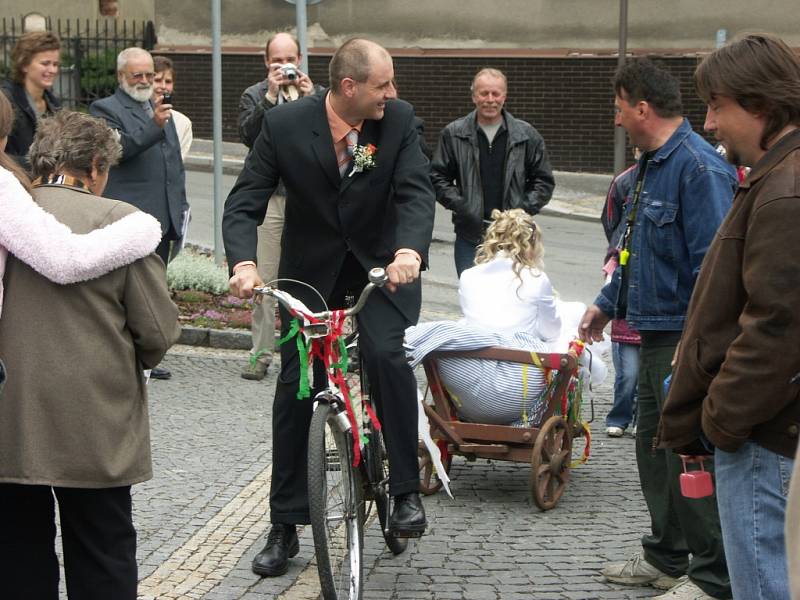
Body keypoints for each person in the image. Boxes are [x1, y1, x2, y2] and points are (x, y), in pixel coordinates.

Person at [223, 38, 435, 577]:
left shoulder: (398, 121)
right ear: (349, 88)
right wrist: (244, 264)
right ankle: (284, 524)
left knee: (387, 355)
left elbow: (415, 192)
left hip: (381, 271)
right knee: (296, 387)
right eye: (382, 84)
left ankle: (406, 492)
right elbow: (245, 199)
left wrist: (409, 250)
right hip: (311, 275)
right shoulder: (286, 125)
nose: (393, 92)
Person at [0, 109, 180, 600]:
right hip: (96, 417)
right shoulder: (118, 223)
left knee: (18, 553)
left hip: (12, 416)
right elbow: (157, 330)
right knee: (102, 550)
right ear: (97, 166)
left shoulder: (11, 213)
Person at [578, 58, 738, 600]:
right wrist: (605, 304)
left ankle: (712, 575)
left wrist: (697, 351)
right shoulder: (650, 166)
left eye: (620, 108)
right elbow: (631, 252)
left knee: (689, 454)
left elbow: (714, 273)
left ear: (641, 107)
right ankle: (667, 557)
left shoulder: (699, 169)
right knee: (654, 450)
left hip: (682, 341)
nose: (617, 118)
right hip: (651, 332)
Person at [658, 33, 800, 600]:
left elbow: (777, 327)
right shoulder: (777, 178)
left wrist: (721, 420)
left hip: (764, 439)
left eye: (718, 105)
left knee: (763, 588)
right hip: (762, 432)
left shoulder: (786, 190)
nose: (709, 123)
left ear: (761, 104)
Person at [0, 91, 162, 312]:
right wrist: (144, 227)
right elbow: (65, 260)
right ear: (95, 168)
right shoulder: (4, 188)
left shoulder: (24, 196)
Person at [91, 46, 190, 380]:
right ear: (122, 77)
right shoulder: (105, 108)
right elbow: (117, 150)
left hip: (163, 217)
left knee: (153, 291)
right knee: (126, 292)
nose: (147, 81)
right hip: (130, 218)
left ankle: (147, 355)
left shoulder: (156, 106)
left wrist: (181, 205)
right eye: (138, 75)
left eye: (150, 74)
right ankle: (123, 355)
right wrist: (153, 123)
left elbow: (172, 163)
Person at [237, 32, 324, 381]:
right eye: (277, 61)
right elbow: (249, 136)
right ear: (266, 62)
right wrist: (271, 97)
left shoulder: (317, 96)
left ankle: (310, 350)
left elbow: (327, 137)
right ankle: (260, 354)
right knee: (265, 280)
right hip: (273, 198)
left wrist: (313, 99)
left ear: (300, 59)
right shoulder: (255, 95)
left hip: (309, 198)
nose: (284, 66)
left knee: (309, 278)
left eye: (290, 59)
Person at [431, 67, 555, 276]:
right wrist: (463, 207)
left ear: (504, 96)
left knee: (512, 299)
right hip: (469, 236)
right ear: (473, 96)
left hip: (514, 239)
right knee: (472, 299)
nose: (490, 99)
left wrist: (521, 211)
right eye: (484, 93)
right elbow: (437, 176)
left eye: (495, 93)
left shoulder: (526, 135)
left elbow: (543, 181)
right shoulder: (453, 134)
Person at [600, 159, 640, 438]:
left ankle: (642, 417)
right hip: (626, 295)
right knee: (628, 373)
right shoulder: (624, 181)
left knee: (649, 372)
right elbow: (611, 221)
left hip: (657, 307)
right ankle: (621, 415)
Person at [0, 31, 61, 169]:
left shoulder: (55, 105)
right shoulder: (5, 101)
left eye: (55, 64)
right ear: (24, 64)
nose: (52, 70)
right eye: (45, 63)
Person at [153, 55, 193, 160]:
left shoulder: (183, 122)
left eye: (168, 82)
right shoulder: (134, 114)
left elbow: (178, 162)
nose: (163, 86)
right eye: (157, 80)